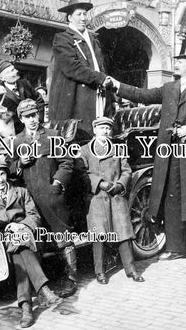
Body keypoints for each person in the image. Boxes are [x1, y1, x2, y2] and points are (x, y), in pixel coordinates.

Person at [111, 53, 186, 266]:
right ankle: (176, 248)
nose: (175, 65)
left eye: (179, 62)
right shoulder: (169, 88)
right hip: (169, 152)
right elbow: (142, 95)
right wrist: (117, 86)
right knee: (172, 197)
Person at [0, 159, 61, 328]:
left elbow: (35, 216)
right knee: (18, 249)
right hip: (2, 240)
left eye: (2, 174)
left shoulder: (21, 192)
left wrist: (20, 224)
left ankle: (26, 308)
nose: (0, 179)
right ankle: (42, 289)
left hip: (27, 234)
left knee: (19, 246)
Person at [10, 99, 77, 297]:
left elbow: (66, 163)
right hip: (31, 201)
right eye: (27, 116)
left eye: (34, 115)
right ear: (21, 118)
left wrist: (57, 184)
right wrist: (20, 163)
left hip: (52, 197)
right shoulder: (17, 141)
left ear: (39, 115)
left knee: (63, 237)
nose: (32, 120)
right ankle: (42, 283)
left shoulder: (53, 136)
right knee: (37, 240)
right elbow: (11, 170)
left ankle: (71, 279)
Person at [80, 117, 145, 284]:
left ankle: (131, 270)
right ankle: (100, 271)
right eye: (101, 128)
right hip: (97, 197)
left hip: (116, 196)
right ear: (95, 130)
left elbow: (126, 171)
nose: (105, 131)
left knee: (124, 232)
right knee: (98, 234)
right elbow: (83, 173)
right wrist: (100, 183)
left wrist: (120, 185)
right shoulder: (85, 150)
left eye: (108, 128)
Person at [49, 0, 114, 134]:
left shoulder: (93, 40)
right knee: (79, 134)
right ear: (69, 17)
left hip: (98, 94)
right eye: (79, 14)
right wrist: (100, 78)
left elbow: (100, 67)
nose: (83, 18)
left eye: (85, 14)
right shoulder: (63, 38)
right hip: (76, 97)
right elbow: (72, 68)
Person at [0, 60, 44, 133]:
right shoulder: (0, 93)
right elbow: (3, 116)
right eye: (11, 71)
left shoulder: (25, 83)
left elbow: (39, 100)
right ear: (2, 78)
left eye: (14, 69)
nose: (16, 71)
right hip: (15, 132)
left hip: (35, 127)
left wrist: (38, 120)